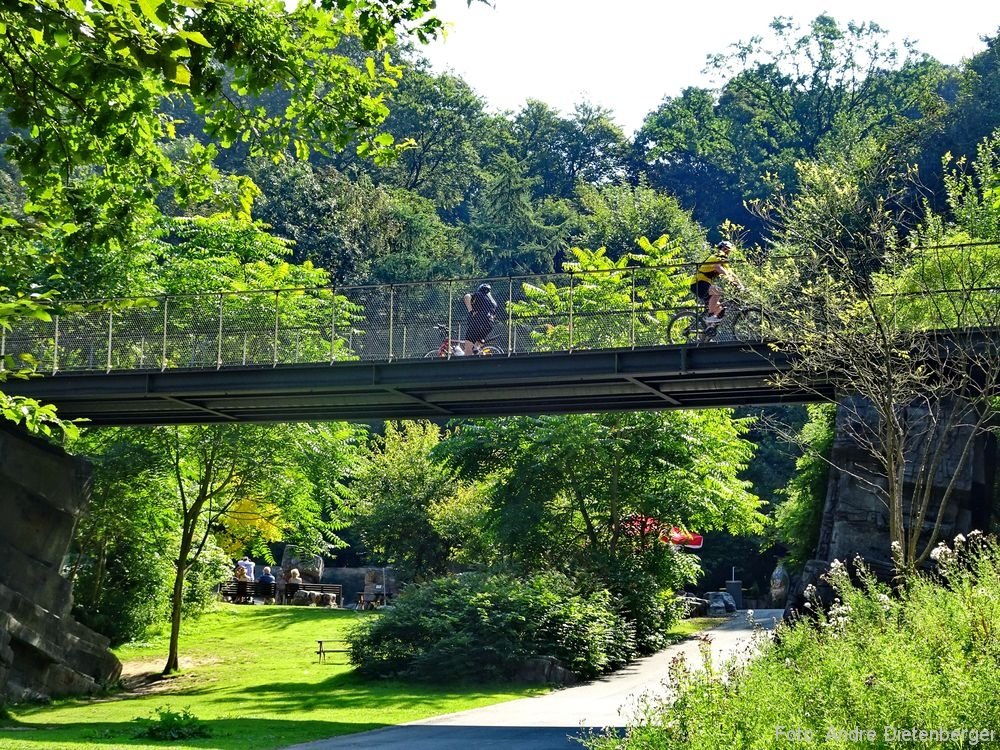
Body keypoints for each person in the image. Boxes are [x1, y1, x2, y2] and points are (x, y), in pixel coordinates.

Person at [689, 240, 741, 324]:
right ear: (724, 249)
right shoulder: (717, 257)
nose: (728, 253)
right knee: (718, 291)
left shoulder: (722, 260)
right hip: (698, 283)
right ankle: (710, 316)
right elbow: (718, 268)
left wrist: (740, 285)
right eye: (728, 250)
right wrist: (731, 281)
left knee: (719, 307)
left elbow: (731, 273)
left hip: (704, 284)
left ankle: (709, 329)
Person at [462, 282, 498, 355]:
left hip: (477, 323)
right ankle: (476, 351)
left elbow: (467, 296)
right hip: (488, 326)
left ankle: (467, 363)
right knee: (476, 345)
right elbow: (494, 316)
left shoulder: (478, 295)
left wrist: (471, 311)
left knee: (468, 347)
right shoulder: (493, 302)